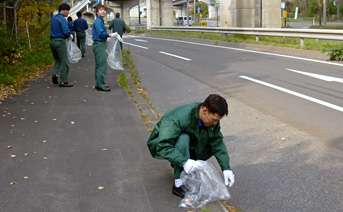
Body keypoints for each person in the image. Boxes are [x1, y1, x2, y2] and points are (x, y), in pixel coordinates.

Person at [147, 94, 235, 198]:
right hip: (161, 143)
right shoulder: (177, 118)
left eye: (218, 120)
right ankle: (178, 183)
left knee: (210, 140)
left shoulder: (211, 121)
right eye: (214, 119)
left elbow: (217, 142)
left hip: (190, 143)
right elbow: (163, 145)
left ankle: (186, 166)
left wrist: (226, 168)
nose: (216, 123)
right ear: (204, 111)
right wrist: (184, 161)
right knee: (183, 138)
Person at [92, 4, 116, 92]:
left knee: (99, 64)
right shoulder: (98, 21)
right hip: (99, 44)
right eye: (101, 10)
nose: (103, 11)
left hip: (99, 44)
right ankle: (100, 84)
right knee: (102, 65)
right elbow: (101, 33)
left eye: (104, 10)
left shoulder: (100, 21)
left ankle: (99, 82)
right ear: (97, 12)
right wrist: (109, 35)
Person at [49, 3, 73, 87]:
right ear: (63, 10)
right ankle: (63, 81)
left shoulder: (53, 18)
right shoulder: (62, 19)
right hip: (60, 41)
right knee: (64, 61)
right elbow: (66, 31)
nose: (68, 13)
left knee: (57, 59)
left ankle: (55, 74)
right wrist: (69, 35)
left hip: (52, 41)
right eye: (67, 11)